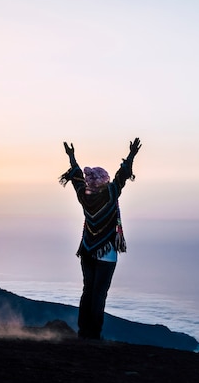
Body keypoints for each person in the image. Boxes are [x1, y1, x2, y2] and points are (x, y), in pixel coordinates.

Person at [59, 137, 141, 340]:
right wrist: (131, 155)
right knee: (99, 293)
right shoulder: (111, 194)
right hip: (107, 252)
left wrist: (72, 158)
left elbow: (77, 177)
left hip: (87, 249)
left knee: (88, 290)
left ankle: (83, 331)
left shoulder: (84, 197)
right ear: (104, 181)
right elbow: (122, 176)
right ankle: (94, 333)